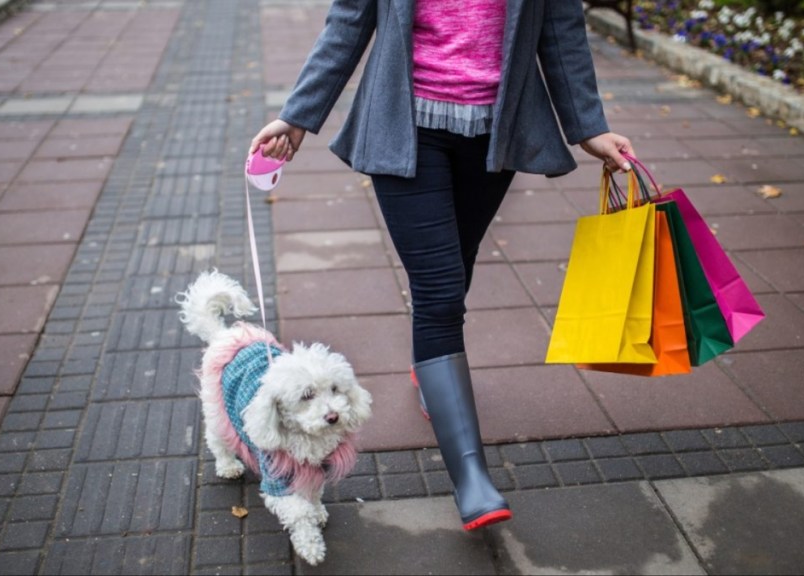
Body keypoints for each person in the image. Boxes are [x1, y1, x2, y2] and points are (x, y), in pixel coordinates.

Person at [249, 0, 634, 532]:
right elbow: (349, 22)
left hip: (496, 129)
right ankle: (471, 476)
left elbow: (560, 28)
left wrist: (588, 126)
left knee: (456, 262)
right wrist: (297, 115)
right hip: (405, 126)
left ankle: (430, 368)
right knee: (441, 289)